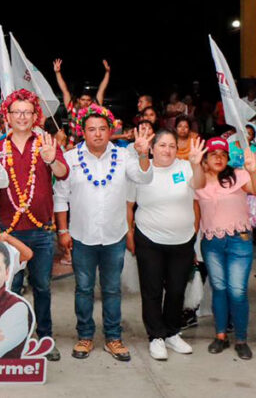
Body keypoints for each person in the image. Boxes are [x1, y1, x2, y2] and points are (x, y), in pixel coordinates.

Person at [54, 105, 154, 362]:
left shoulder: (123, 156)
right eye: (91, 130)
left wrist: (143, 155)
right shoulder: (71, 158)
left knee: (111, 290)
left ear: (111, 131)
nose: (97, 134)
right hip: (81, 236)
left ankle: (113, 338)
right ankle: (85, 336)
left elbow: (143, 179)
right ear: (82, 133)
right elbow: (61, 197)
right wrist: (63, 230)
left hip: (114, 236)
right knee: (84, 289)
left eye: (102, 129)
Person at [0, 89, 69, 361]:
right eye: (16, 112)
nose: (21, 117)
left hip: (41, 231)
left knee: (42, 287)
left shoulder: (45, 141)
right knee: (10, 289)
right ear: (7, 117)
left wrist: (51, 158)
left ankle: (45, 339)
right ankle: (11, 340)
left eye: (27, 112)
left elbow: (63, 174)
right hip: (9, 233)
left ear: (35, 116)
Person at [126, 130, 206, 360]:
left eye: (171, 145)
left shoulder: (184, 167)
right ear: (152, 148)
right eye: (162, 145)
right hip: (149, 239)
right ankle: (156, 336)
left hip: (182, 240)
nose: (167, 150)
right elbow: (129, 205)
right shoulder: (141, 170)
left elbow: (198, 185)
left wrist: (197, 164)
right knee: (151, 290)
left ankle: (172, 332)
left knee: (176, 289)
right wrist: (129, 233)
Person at [194, 137, 256, 360]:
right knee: (219, 288)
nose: (218, 158)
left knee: (237, 290)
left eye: (223, 154)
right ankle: (221, 335)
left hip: (239, 240)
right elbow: (195, 215)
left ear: (228, 158)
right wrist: (191, 247)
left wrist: (253, 171)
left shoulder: (238, 176)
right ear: (206, 158)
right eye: (213, 154)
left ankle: (241, 339)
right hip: (211, 242)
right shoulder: (198, 181)